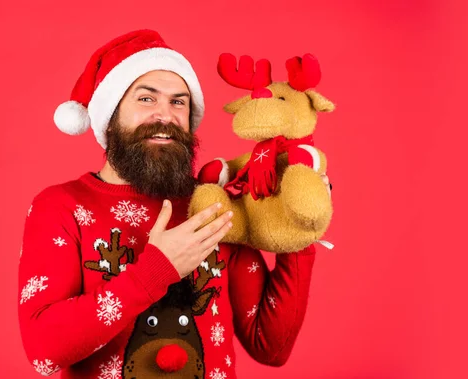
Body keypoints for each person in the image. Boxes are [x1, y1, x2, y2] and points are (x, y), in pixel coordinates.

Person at [18, 29, 331, 378]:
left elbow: (271, 346)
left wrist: (300, 227)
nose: (165, 115)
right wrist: (158, 269)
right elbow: (43, 350)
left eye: (178, 102)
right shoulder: (61, 206)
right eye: (146, 99)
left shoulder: (214, 204)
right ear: (110, 114)